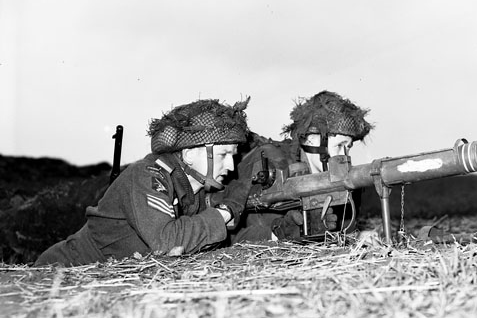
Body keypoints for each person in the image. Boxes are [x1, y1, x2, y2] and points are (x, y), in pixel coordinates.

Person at [35, 98, 253, 266]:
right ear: (188, 155)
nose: (231, 166)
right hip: (64, 271)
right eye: (224, 155)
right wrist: (224, 212)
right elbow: (167, 242)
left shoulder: (193, 187)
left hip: (113, 281)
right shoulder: (149, 176)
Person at [230, 90, 373, 243]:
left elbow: (340, 234)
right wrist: (279, 232)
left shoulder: (344, 181)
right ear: (311, 141)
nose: (345, 155)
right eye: (339, 146)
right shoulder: (273, 164)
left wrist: (358, 237)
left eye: (348, 147)